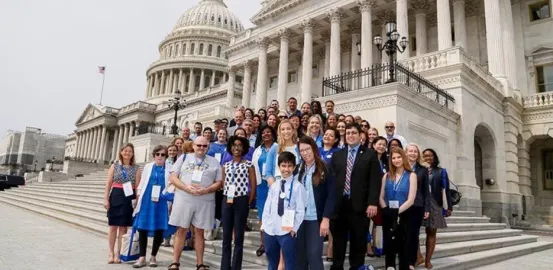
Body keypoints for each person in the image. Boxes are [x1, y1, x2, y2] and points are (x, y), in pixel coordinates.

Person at [329, 123, 382, 270]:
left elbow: (375, 181)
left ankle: (356, 266)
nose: (350, 136)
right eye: (348, 133)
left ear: (360, 136)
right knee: (338, 239)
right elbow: (332, 180)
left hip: (360, 205)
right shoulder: (337, 155)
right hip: (339, 205)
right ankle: (337, 266)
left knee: (358, 239)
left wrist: (372, 202)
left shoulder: (369, 154)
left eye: (353, 133)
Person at [168, 137, 223, 270]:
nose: (201, 148)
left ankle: (200, 263)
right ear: (193, 145)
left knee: (200, 231)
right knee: (181, 230)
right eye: (199, 145)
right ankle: (175, 262)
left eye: (204, 146)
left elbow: (219, 182)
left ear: (208, 147)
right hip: (184, 198)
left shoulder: (214, 162)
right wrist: (185, 187)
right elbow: (173, 177)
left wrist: (207, 190)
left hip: (204, 200)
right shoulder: (184, 158)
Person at [261, 152, 307, 270]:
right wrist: (265, 225)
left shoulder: (298, 187)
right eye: (283, 166)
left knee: (289, 263)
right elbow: (267, 207)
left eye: (289, 166)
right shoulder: (275, 185)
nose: (286, 169)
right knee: (272, 263)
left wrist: (294, 228)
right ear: (279, 167)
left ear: (294, 167)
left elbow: (301, 211)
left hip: (287, 230)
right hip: (270, 230)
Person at [296, 136, 335, 269]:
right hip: (299, 219)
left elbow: (331, 196)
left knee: (314, 255)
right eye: (302, 150)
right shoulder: (298, 169)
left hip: (315, 219)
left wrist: (326, 219)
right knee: (300, 257)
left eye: (307, 149)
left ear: (314, 148)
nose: (305, 153)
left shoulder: (325, 168)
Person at [220, 136, 257, 270]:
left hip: (241, 200)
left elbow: (253, 186)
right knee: (226, 237)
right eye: (234, 145)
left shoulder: (249, 164)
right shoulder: (226, 165)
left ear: (244, 147)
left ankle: (236, 267)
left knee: (239, 237)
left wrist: (248, 202)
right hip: (227, 200)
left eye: (240, 145)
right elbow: (223, 183)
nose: (237, 147)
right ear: (230, 147)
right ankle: (225, 267)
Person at [379, 147, 418, 270]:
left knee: (404, 245)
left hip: (405, 214)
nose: (396, 160)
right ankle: (389, 266)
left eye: (398, 157)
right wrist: (386, 210)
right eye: (393, 158)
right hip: (388, 213)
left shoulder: (412, 175)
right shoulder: (386, 176)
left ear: (404, 158)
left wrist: (397, 212)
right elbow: (381, 196)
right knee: (389, 243)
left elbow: (411, 199)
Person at [132, 145, 170, 268]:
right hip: (147, 200)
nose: (160, 156)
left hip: (162, 201)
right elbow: (142, 183)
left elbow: (172, 185)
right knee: (142, 227)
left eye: (163, 154)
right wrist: (138, 199)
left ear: (166, 156)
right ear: (154, 155)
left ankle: (153, 256)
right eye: (157, 154)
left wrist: (167, 195)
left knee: (159, 228)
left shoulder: (170, 168)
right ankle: (141, 257)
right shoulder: (148, 167)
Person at [104, 143, 140, 264]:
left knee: (123, 227)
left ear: (133, 154)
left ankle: (119, 253)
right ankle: (111, 253)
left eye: (130, 151)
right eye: (125, 151)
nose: (127, 153)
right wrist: (106, 199)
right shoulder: (115, 166)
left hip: (129, 197)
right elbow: (108, 183)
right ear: (121, 152)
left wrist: (137, 202)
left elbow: (138, 187)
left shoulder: (136, 168)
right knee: (113, 226)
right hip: (116, 195)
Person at [418, 148, 452, 269]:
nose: (428, 158)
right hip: (419, 202)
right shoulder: (418, 170)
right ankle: (418, 256)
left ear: (434, 157)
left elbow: (446, 190)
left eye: (430, 156)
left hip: (435, 202)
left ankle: (428, 260)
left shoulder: (441, 172)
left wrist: (449, 207)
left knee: (431, 231)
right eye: (425, 156)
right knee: (413, 230)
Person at [251, 125, 278, 257]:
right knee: (263, 215)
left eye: (269, 132)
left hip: (276, 184)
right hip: (262, 186)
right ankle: (263, 243)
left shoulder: (278, 147)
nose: (266, 134)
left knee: (276, 213)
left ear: (273, 134)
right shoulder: (257, 150)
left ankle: (276, 243)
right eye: (263, 132)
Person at [405, 143, 430, 268]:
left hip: (417, 206)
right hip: (402, 205)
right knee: (403, 233)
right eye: (410, 151)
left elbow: (426, 190)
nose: (413, 153)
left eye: (415, 151)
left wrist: (427, 208)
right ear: (406, 152)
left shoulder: (423, 170)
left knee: (413, 234)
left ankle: (411, 261)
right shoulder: (400, 167)